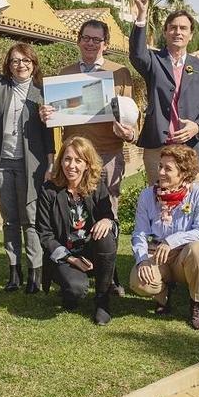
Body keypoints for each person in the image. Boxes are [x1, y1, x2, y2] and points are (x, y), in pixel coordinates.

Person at [39, 18, 134, 295]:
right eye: (86, 38)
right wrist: (47, 114)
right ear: (78, 40)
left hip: (107, 154)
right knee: (72, 212)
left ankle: (110, 275)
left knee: (107, 213)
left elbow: (131, 115)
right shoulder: (65, 73)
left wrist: (127, 132)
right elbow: (56, 115)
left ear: (106, 44)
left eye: (97, 39)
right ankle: (70, 263)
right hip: (74, 156)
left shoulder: (120, 73)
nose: (91, 44)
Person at [0, 41, 54, 293]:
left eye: (26, 61)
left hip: (32, 165)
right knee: (10, 220)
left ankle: (35, 273)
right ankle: (13, 271)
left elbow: (51, 133)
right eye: (16, 60)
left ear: (34, 65)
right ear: (9, 65)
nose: (21, 65)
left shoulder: (42, 93)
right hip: (3, 164)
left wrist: (51, 164)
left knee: (31, 219)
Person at [129, 0, 199, 184]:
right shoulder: (153, 61)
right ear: (166, 31)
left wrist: (197, 126)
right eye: (173, 27)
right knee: (159, 205)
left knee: (191, 207)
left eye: (183, 28)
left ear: (191, 35)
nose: (178, 32)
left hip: (191, 149)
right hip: (158, 150)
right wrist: (141, 15)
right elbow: (136, 54)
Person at [129, 144, 199, 330]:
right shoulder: (147, 195)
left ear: (183, 173)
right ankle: (163, 295)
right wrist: (142, 260)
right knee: (138, 282)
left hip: (185, 256)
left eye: (168, 169)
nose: (161, 173)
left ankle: (197, 303)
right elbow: (139, 233)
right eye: (160, 166)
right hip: (157, 254)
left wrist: (171, 241)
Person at [36, 136, 117, 325]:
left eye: (78, 160)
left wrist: (106, 220)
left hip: (90, 249)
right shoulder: (49, 190)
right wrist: (71, 259)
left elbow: (109, 215)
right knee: (76, 290)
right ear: (61, 161)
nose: (71, 165)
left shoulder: (96, 186)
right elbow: (45, 234)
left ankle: (102, 301)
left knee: (106, 235)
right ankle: (69, 289)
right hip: (65, 253)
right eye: (67, 159)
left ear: (87, 164)